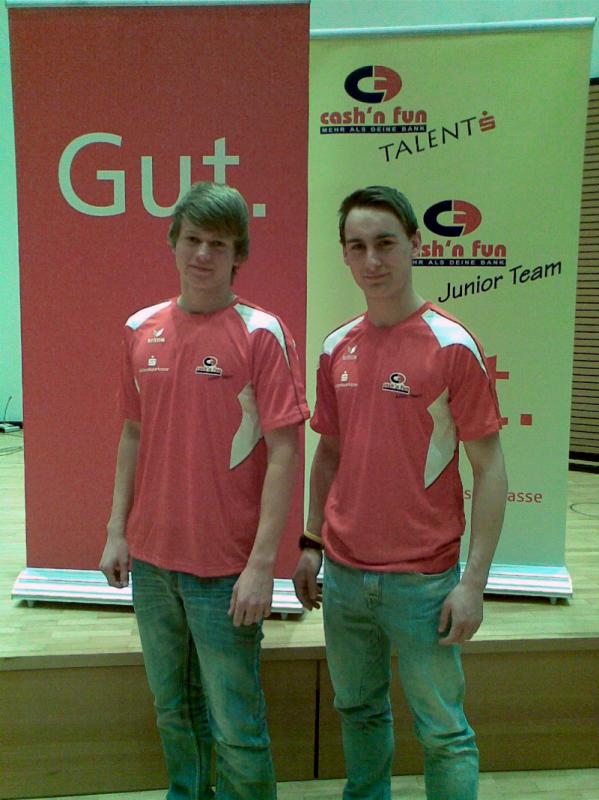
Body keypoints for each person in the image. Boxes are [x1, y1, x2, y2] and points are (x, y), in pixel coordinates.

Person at [293, 186, 507, 800]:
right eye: (358, 246)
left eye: (386, 243)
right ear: (344, 254)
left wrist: (473, 584)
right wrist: (311, 541)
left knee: (443, 732)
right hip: (344, 577)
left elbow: (490, 469)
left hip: (424, 582)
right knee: (358, 711)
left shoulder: (452, 346)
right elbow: (328, 454)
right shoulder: (336, 347)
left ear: (415, 243)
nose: (373, 260)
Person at [100, 181, 309, 800]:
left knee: (236, 725)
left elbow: (285, 453)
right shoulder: (140, 328)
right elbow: (132, 435)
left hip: (226, 569)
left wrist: (262, 566)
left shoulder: (262, 333)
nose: (202, 254)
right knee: (173, 710)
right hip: (152, 563)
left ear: (238, 254)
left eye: (218, 244)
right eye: (192, 239)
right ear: (173, 243)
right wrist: (116, 532)